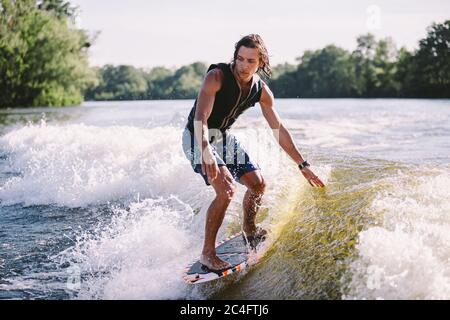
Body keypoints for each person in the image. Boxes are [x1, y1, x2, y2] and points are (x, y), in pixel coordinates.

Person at [182, 34, 325, 272]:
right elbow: (201, 118)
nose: (243, 66)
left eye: (250, 61)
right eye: (240, 59)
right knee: (227, 189)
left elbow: (278, 130)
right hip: (197, 137)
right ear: (235, 57)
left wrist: (302, 164)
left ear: (261, 62)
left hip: (222, 137)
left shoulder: (261, 90)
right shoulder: (216, 77)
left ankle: (249, 228)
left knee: (258, 185)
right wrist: (205, 150)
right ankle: (207, 253)